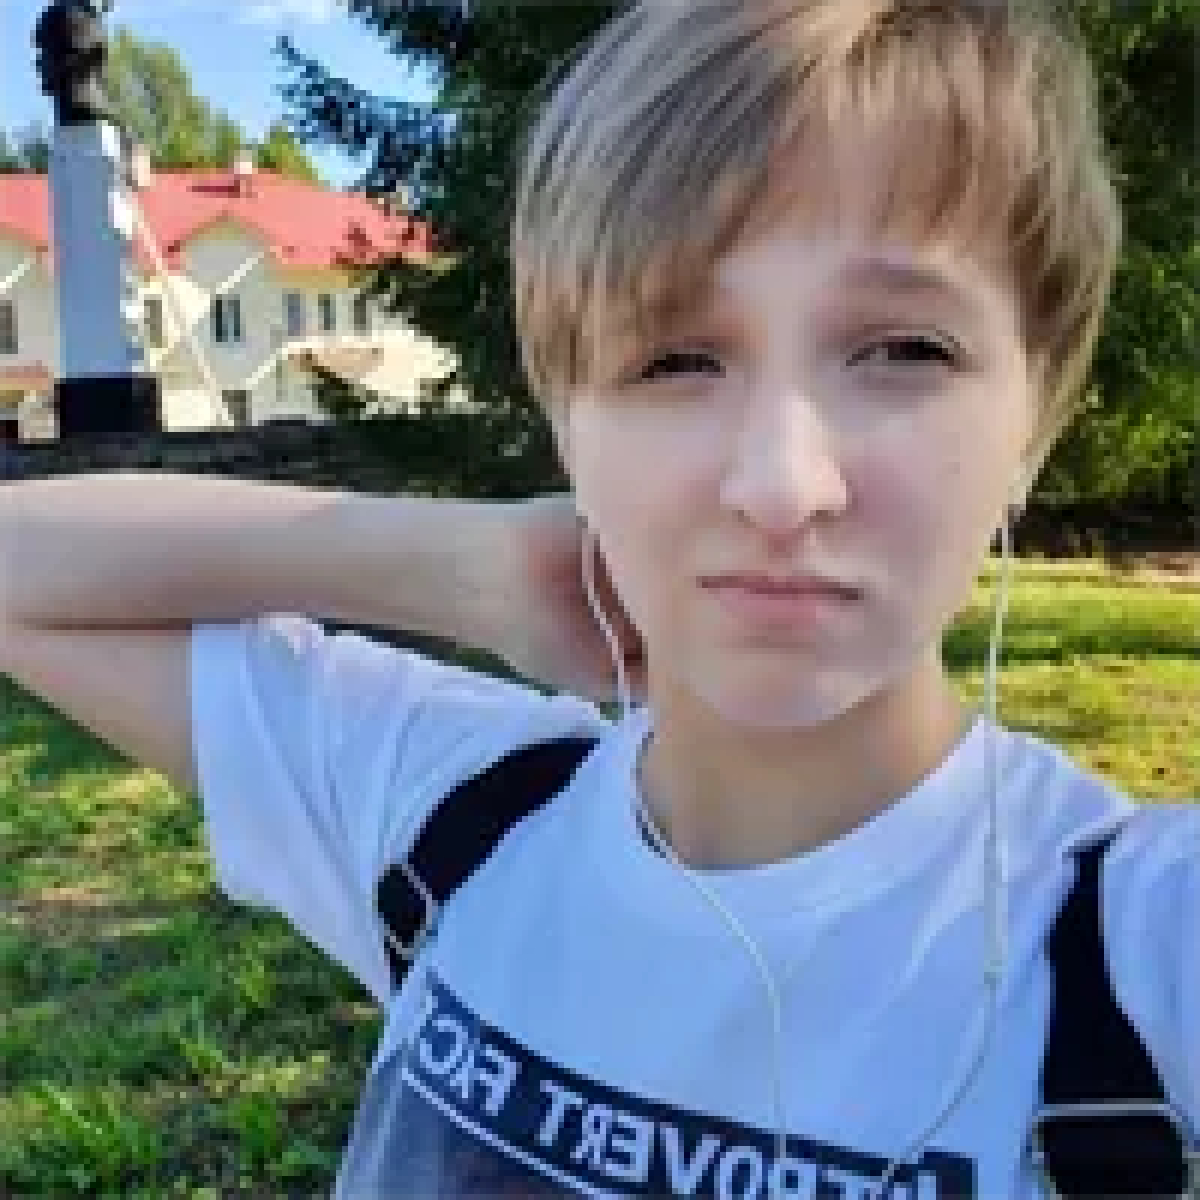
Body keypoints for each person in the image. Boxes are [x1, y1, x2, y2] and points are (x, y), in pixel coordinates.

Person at [2, 1, 1194, 1196]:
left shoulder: (1143, 958)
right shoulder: (457, 811)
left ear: (1039, 408)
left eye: (903, 351)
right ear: (566, 413)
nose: (781, 485)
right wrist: (474, 570)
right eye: (674, 359)